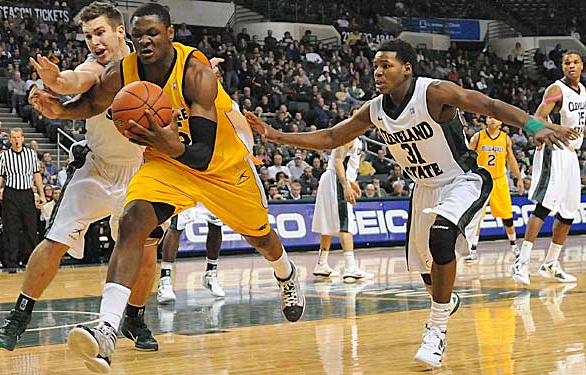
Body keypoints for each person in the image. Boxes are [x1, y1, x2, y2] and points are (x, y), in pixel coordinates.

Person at [244, 39, 575, 369]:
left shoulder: (433, 93)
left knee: (442, 237)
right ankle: (444, 300)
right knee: (426, 272)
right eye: (375, 65)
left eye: (386, 65)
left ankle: (437, 329)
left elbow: (488, 105)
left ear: (407, 68)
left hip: (462, 180)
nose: (378, 71)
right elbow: (333, 137)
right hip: (423, 189)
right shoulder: (374, 109)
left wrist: (534, 126)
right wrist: (277, 136)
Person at [30, 4, 305, 372]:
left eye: (153, 34)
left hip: (220, 167)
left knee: (261, 238)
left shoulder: (197, 72)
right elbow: (93, 102)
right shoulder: (124, 71)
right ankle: (107, 330)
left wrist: (168, 142)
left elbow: (203, 153)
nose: (145, 41)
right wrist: (59, 110)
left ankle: (286, 274)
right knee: (133, 222)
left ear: (171, 33)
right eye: (139, 34)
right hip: (167, 164)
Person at [0, 2, 165, 354]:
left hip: (143, 171)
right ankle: (19, 317)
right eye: (88, 36)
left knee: (146, 253)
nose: (94, 41)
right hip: (97, 167)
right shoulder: (96, 67)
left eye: (100, 32)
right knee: (54, 240)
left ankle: (135, 318)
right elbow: (77, 79)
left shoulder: (150, 63)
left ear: (120, 32)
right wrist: (56, 81)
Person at [511, 51, 585, 285]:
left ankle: (550, 263)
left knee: (568, 213)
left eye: (575, 62)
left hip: (572, 153)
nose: (571, 66)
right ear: (561, 67)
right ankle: (521, 262)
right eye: (567, 63)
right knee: (544, 207)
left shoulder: (583, 91)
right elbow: (536, 118)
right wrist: (559, 130)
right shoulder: (555, 90)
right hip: (555, 149)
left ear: (582, 65)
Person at [311, 137, 373, 281]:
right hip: (337, 181)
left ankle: (322, 264)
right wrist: (346, 185)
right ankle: (350, 268)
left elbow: (346, 164)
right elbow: (338, 161)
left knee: (328, 223)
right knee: (345, 222)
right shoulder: (348, 136)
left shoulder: (356, 139)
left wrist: (352, 181)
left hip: (334, 179)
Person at [465, 116, 524, 262]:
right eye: (490, 117)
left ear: (501, 122)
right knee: (476, 217)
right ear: (486, 120)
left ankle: (514, 246)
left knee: (507, 216)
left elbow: (511, 160)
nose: (492, 120)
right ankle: (472, 250)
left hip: (499, 180)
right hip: (481, 181)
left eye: (496, 118)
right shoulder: (478, 137)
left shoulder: (505, 139)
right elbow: (467, 156)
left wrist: (519, 178)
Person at [0, 127, 45, 272]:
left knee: (31, 229)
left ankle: (33, 261)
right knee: (11, 230)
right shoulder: (4, 156)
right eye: (13, 137)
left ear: (22, 138)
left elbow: (37, 175)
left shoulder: (31, 154)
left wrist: (42, 195)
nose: (16, 140)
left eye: (18, 137)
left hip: (27, 194)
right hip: (11, 194)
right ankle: (11, 263)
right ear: (10, 139)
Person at [157, 203, 225, 303]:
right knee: (177, 225)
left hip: (210, 189)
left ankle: (211, 274)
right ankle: (165, 280)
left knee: (216, 223)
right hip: (187, 189)